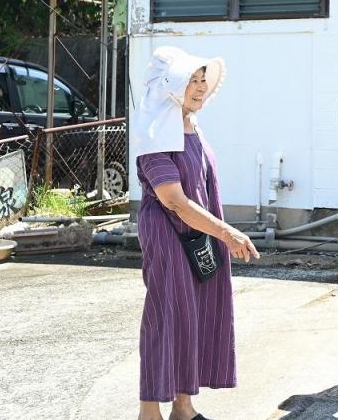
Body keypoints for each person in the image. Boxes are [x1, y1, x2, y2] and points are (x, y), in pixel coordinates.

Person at [133, 46, 259, 420]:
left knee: (195, 314)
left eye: (204, 80)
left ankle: (184, 408)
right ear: (171, 85)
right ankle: (149, 412)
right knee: (166, 317)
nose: (201, 87)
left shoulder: (190, 123)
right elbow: (174, 200)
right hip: (166, 232)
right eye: (193, 80)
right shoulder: (154, 131)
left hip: (197, 234)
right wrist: (229, 234)